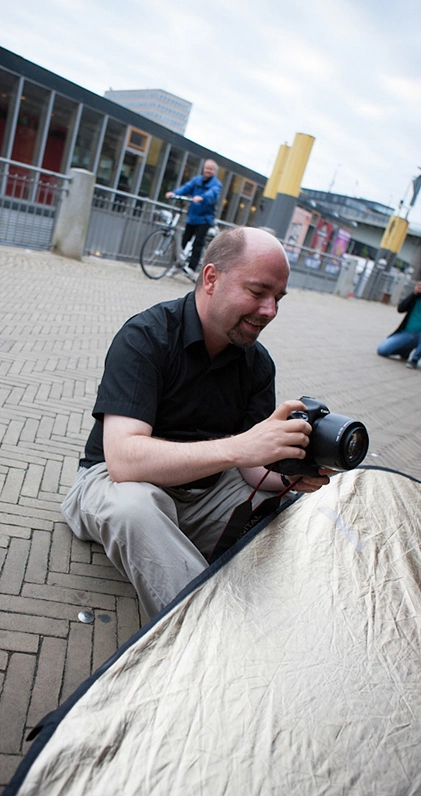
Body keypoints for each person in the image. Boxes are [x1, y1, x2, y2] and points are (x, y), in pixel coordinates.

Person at [61, 227, 331, 618]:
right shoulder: (146, 337)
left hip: (203, 494)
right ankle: (207, 635)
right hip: (114, 483)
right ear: (211, 278)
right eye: (258, 293)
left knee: (292, 511)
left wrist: (290, 472)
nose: (270, 311)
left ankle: (299, 619)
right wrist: (241, 446)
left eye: (278, 299)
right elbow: (123, 460)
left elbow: (253, 469)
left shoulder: (257, 363)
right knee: (136, 507)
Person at [165, 159, 222, 277]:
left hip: (205, 218)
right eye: (207, 168)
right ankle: (177, 265)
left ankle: (191, 268)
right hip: (192, 216)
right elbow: (186, 188)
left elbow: (213, 194)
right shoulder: (197, 180)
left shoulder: (216, 184)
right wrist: (174, 193)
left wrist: (202, 198)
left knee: (198, 243)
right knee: (184, 240)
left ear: (215, 171)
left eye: (211, 169)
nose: (208, 171)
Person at [377, 281, 421, 369]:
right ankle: (405, 350)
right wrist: (414, 294)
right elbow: (401, 309)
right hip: (407, 333)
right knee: (382, 350)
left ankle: (414, 359)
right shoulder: (416, 297)